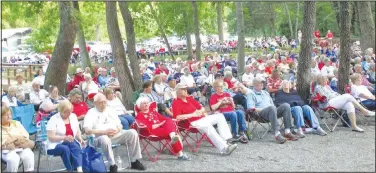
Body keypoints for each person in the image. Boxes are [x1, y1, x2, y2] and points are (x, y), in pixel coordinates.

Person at [83, 93, 146, 172]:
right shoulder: (91, 113)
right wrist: (104, 132)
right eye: (100, 102)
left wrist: (117, 130)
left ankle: (134, 161)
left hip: (115, 135)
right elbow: (87, 130)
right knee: (105, 139)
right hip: (99, 138)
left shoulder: (110, 110)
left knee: (133, 132)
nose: (103, 104)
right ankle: (112, 165)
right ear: (95, 103)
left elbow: (120, 125)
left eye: (105, 102)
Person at [172, 83, 238, 155]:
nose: (185, 90)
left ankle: (226, 140)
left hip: (202, 118)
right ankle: (225, 148)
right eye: (183, 89)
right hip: (192, 122)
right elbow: (177, 117)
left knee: (220, 116)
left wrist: (200, 111)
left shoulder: (190, 99)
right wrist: (192, 114)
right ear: (178, 91)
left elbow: (202, 108)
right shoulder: (176, 102)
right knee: (208, 126)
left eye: (185, 89)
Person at [246, 77, 298, 144]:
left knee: (286, 105)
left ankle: (287, 131)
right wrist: (266, 109)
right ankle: (277, 133)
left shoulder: (266, 93)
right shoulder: (251, 94)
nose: (262, 85)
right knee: (271, 108)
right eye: (260, 84)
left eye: (262, 84)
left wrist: (272, 108)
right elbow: (251, 108)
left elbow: (272, 105)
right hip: (260, 114)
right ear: (254, 85)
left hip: (272, 112)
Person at [46, 100, 85, 172]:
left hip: (69, 142)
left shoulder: (73, 116)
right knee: (65, 149)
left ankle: (80, 169)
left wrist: (80, 138)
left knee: (74, 145)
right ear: (60, 111)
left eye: (70, 111)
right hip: (55, 144)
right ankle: (70, 170)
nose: (69, 113)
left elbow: (77, 130)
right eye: (66, 112)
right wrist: (64, 138)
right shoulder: (53, 119)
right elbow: (51, 138)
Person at [1, 105, 35, 172]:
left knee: (29, 154)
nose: (9, 116)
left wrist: (14, 139)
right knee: (13, 158)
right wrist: (7, 144)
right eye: (6, 115)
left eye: (10, 114)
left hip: (20, 146)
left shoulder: (16, 123)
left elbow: (26, 135)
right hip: (5, 150)